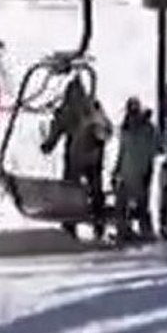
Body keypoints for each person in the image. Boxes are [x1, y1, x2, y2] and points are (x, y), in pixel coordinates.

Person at [41, 79, 112, 240]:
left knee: (72, 191)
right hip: (92, 157)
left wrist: (49, 145)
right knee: (94, 191)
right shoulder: (92, 107)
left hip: (77, 157)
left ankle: (72, 226)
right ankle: (96, 224)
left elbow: (57, 130)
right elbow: (107, 129)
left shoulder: (72, 110)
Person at [113, 98, 159, 242]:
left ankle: (146, 231)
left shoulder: (148, 130)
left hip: (141, 171)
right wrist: (116, 170)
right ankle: (123, 229)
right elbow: (122, 151)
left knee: (141, 204)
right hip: (127, 171)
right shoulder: (125, 129)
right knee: (122, 203)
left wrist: (149, 170)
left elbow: (154, 149)